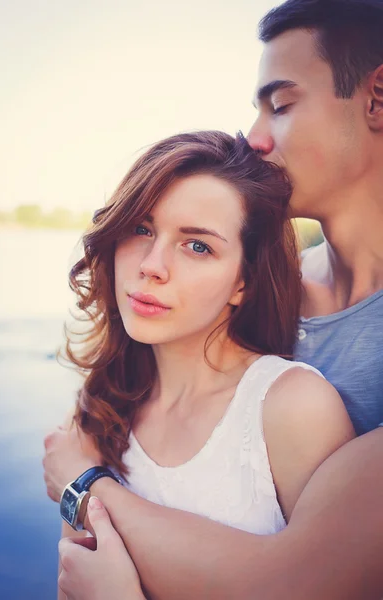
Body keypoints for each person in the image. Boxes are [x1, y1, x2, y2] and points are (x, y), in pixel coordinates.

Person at [44, 0, 383, 598]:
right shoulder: (265, 298)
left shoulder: (290, 398)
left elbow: (300, 582)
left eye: (280, 105)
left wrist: (83, 486)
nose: (253, 140)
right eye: (141, 230)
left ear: (377, 98)